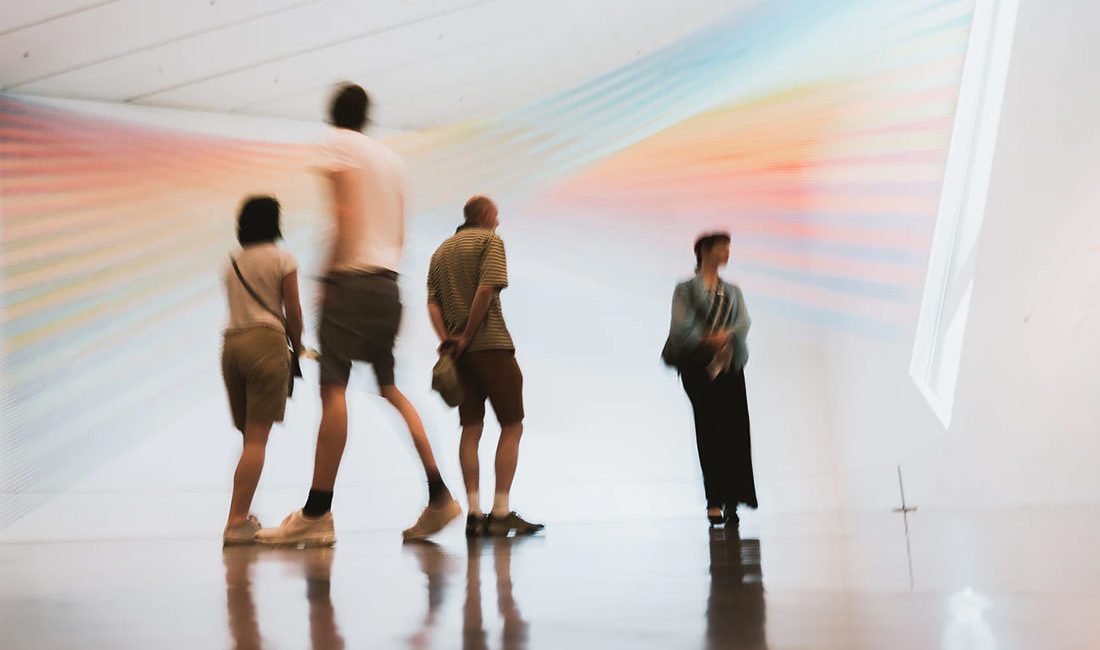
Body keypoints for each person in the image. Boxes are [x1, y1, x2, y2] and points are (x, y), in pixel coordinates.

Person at [258, 83, 459, 546]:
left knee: (333, 392)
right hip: (387, 285)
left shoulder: (337, 144)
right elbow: (401, 233)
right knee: (391, 388)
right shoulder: (391, 160)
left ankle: (316, 513)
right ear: (367, 115)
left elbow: (343, 212)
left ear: (333, 114)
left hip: (349, 282)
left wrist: (328, 278)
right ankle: (439, 496)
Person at [426, 196, 543, 537]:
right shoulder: (490, 242)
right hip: (491, 344)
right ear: (486, 215)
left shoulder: (441, 251)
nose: (499, 222)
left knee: (470, 429)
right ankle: (501, 511)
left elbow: (432, 303)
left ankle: (474, 512)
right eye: (496, 215)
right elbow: (486, 289)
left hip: (459, 356)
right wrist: (467, 334)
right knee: (512, 425)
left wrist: (449, 339)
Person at [221, 196, 303, 545]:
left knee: (248, 440)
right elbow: (293, 312)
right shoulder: (282, 259)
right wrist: (298, 347)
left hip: (232, 345)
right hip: (265, 343)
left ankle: (242, 515)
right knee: (257, 440)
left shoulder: (232, 263)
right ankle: (236, 522)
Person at [662, 231, 758, 527]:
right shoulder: (685, 290)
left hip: (729, 365)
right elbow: (681, 326)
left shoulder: (732, 291)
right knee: (709, 430)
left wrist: (725, 336)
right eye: (721, 247)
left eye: (728, 247)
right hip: (698, 368)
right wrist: (706, 339)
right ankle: (714, 499)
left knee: (735, 431)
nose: (726, 252)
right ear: (704, 250)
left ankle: (733, 501)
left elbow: (743, 322)